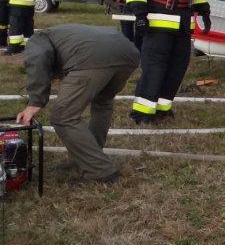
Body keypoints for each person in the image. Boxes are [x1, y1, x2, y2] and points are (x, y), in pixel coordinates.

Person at [15, 25, 139, 183]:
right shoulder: (64, 35)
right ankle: (91, 158)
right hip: (127, 53)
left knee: (63, 117)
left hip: (92, 57)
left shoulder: (36, 40)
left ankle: (100, 170)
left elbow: (38, 60)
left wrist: (35, 102)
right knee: (103, 102)